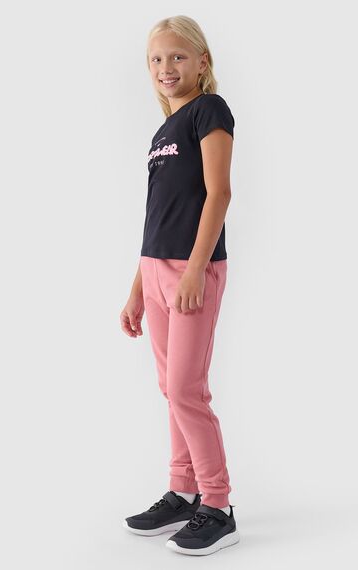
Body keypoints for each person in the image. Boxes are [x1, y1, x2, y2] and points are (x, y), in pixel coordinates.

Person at [120, 15, 239, 556]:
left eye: (177, 57)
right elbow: (157, 216)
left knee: (188, 389)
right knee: (172, 389)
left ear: (201, 62)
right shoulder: (162, 132)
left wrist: (195, 268)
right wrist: (137, 289)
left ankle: (218, 504)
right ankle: (183, 490)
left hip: (193, 269)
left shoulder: (209, 111)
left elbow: (219, 193)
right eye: (156, 59)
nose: (166, 67)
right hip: (155, 270)